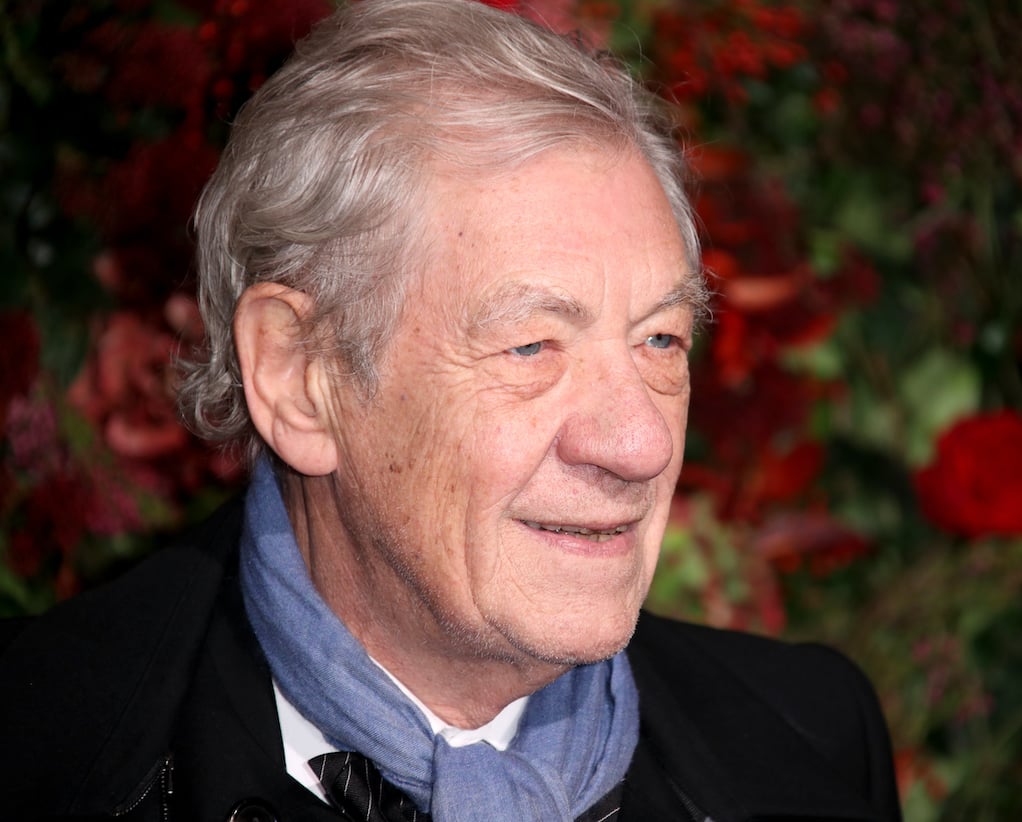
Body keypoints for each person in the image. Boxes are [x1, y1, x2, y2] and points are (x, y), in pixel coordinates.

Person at [0, 1, 902, 819]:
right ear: (297, 377)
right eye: (531, 347)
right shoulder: (41, 751)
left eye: (661, 341)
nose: (639, 443)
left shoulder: (813, 740)